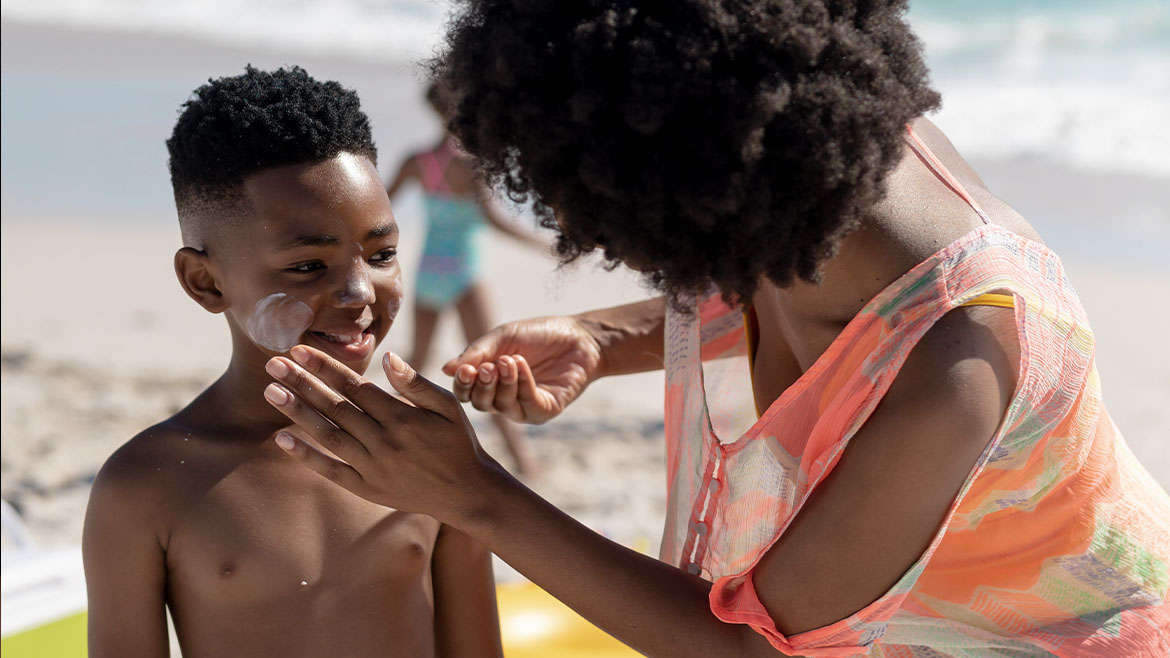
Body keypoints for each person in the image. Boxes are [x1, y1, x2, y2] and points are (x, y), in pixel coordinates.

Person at [263, 3, 1170, 657]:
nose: (606, 245)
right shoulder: (803, 174)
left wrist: (473, 495)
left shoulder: (957, 368)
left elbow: (755, 647)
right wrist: (601, 338)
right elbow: (832, 325)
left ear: (699, 184)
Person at [81, 66, 501, 658]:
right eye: (308, 266)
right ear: (204, 281)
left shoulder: (431, 453)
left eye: (381, 254)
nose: (359, 292)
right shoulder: (145, 485)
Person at [384, 85, 543, 475]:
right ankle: (523, 460)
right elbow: (495, 222)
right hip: (464, 274)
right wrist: (541, 242)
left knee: (415, 364)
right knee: (492, 364)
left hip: (428, 272)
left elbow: (378, 210)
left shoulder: (417, 161)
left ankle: (384, 440)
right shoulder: (473, 165)